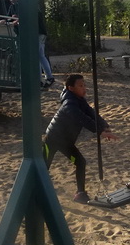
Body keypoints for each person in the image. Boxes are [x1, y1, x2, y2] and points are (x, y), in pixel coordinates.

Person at [43, 74, 117, 203]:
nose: (84, 88)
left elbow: (91, 113)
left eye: (84, 85)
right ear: (71, 88)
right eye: (81, 86)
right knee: (43, 167)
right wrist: (99, 131)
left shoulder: (79, 99)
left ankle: (80, 194)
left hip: (66, 141)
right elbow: (82, 118)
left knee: (80, 162)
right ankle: (35, 194)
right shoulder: (69, 103)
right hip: (53, 139)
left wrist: (104, 126)